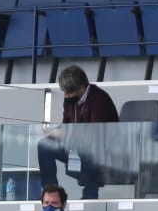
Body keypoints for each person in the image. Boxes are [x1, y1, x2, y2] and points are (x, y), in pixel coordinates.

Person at [36, 65, 119, 199]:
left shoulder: (100, 100)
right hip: (76, 149)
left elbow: (95, 136)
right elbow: (66, 124)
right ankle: (50, 192)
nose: (66, 96)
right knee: (44, 145)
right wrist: (53, 132)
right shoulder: (70, 100)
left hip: (101, 151)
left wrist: (64, 134)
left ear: (81, 87)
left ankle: (89, 196)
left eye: (69, 92)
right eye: (64, 92)